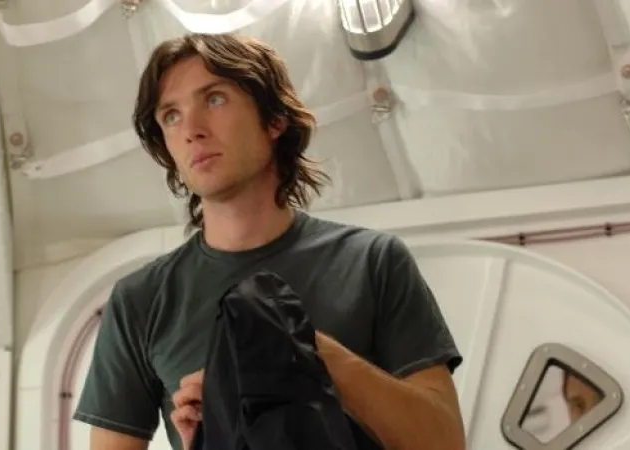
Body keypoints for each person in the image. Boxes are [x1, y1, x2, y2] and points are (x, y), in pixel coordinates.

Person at [73, 32, 466, 450]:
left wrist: (310, 352)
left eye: (215, 99)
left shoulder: (372, 261)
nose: (191, 130)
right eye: (171, 116)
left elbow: (445, 442)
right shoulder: (141, 300)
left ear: (274, 119)